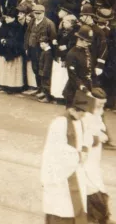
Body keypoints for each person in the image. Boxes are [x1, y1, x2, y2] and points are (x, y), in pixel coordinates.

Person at [41, 88, 99, 224]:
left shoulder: (80, 121)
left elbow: (87, 137)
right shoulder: (59, 123)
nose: (83, 116)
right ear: (73, 109)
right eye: (81, 113)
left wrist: (85, 148)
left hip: (75, 171)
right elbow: (57, 149)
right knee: (62, 209)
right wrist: (78, 156)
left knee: (75, 207)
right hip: (61, 174)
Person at [84, 87, 111, 224]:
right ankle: (99, 216)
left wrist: (102, 133)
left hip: (95, 155)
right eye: (99, 104)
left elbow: (100, 126)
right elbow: (83, 135)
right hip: (87, 154)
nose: (101, 107)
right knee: (92, 183)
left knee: (95, 180)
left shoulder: (97, 111)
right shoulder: (85, 113)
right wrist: (98, 137)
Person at [63, 25, 94, 108]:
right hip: (75, 90)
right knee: (74, 117)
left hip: (86, 88)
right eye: (86, 41)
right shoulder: (72, 54)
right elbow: (73, 76)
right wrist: (84, 89)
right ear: (80, 39)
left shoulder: (86, 50)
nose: (88, 44)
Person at [37, 36, 54, 103]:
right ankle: (44, 94)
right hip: (43, 71)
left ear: (47, 44)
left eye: (42, 44)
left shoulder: (48, 53)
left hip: (46, 72)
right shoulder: (44, 51)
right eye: (40, 44)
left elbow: (47, 64)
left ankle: (48, 97)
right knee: (43, 83)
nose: (41, 45)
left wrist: (44, 72)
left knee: (46, 84)